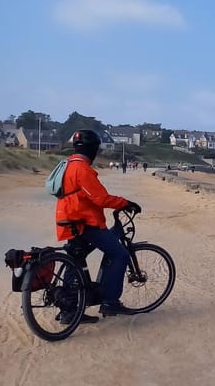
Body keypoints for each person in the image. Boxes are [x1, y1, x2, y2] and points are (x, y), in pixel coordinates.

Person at [56, 130, 142, 322]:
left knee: (75, 259)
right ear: (92, 149)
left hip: (67, 217)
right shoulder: (82, 169)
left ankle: (69, 311)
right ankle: (110, 302)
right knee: (120, 254)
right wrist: (125, 203)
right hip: (84, 221)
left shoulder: (67, 164)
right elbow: (100, 198)